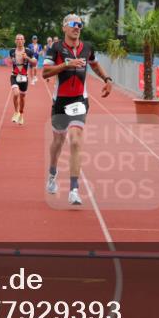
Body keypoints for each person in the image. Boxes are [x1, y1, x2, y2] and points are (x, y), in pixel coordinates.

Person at [42, 14, 113, 205]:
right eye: (73, 24)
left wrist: (107, 79)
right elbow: (45, 73)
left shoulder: (87, 47)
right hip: (60, 103)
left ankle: (74, 189)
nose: (77, 27)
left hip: (80, 100)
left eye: (80, 25)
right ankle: (52, 174)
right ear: (64, 27)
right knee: (58, 141)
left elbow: (95, 64)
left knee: (75, 140)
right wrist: (67, 64)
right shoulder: (55, 48)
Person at [9, 34, 33, 124]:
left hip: (24, 77)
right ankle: (16, 112)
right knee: (16, 93)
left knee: (22, 97)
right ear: (15, 41)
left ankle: (21, 114)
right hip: (14, 75)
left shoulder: (28, 51)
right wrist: (10, 60)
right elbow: (10, 60)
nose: (19, 40)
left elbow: (34, 62)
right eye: (18, 39)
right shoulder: (11, 51)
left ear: (24, 41)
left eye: (21, 39)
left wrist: (27, 58)